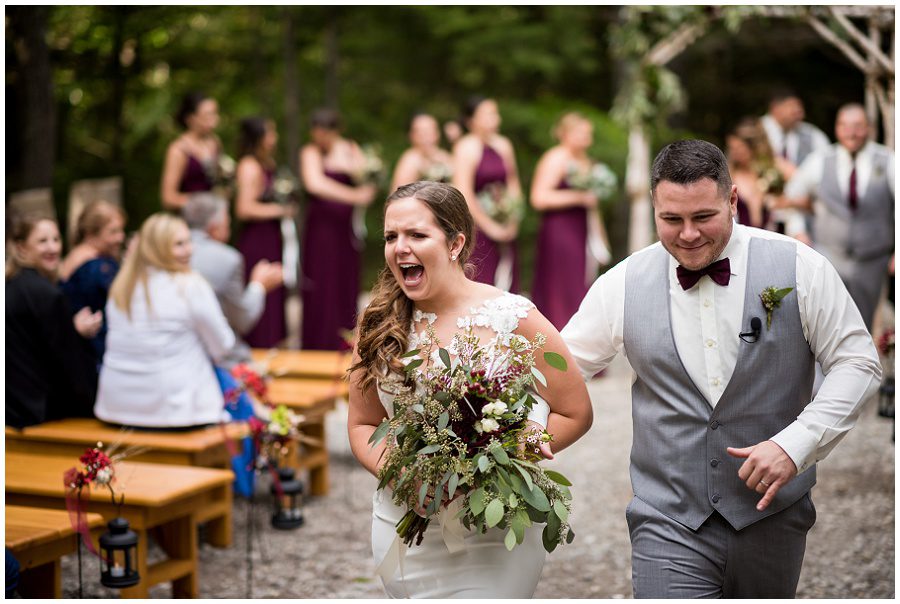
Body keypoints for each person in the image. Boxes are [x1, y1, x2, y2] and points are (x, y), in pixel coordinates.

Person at [561, 139, 881, 598]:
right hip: (667, 518)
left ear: (732, 200)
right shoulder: (622, 284)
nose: (688, 234)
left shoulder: (798, 266)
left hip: (773, 518)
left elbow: (858, 362)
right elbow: (558, 370)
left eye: (703, 217)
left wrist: (796, 445)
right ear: (654, 207)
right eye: (671, 220)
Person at [347, 181, 593, 598]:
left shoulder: (514, 318)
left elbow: (575, 412)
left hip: (494, 530)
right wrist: (407, 475)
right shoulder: (378, 325)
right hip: (404, 521)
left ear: (455, 243)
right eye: (391, 237)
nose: (400, 248)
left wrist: (521, 446)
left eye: (417, 235)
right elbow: (362, 424)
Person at [95, 212, 236, 429]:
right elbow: (223, 345)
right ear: (157, 248)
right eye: (179, 244)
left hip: (117, 408)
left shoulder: (121, 286)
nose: (190, 249)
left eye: (189, 241)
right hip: (175, 411)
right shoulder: (190, 285)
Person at [784, 103, 895, 331]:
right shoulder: (820, 160)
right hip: (829, 256)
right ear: (836, 129)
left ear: (869, 129)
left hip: (873, 260)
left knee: (863, 325)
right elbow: (790, 196)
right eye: (844, 126)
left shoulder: (889, 160)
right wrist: (798, 231)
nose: (851, 132)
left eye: (857, 126)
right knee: (827, 323)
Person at [6, 213, 98, 428]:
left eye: (56, 239)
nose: (53, 248)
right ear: (21, 248)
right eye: (42, 241)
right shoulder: (46, 294)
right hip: (40, 412)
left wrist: (71, 330)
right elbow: (67, 363)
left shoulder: (10, 286)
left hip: (11, 407)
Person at [299, 108, 376, 350]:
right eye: (316, 132)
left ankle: (346, 340)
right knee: (322, 279)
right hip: (321, 227)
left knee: (345, 278)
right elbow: (315, 184)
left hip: (345, 228)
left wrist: (357, 174)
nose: (320, 138)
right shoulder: (310, 152)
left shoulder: (351, 149)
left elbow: (369, 180)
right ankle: (317, 342)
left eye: (325, 132)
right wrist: (353, 196)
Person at [530, 112, 612, 330]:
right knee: (561, 285)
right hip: (560, 230)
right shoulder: (556, 158)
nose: (587, 137)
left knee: (581, 284)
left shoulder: (586, 161)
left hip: (581, 228)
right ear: (565, 133)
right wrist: (579, 197)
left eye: (588, 133)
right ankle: (558, 339)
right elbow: (539, 197)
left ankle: (581, 343)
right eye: (581, 132)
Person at [185, 192, 284, 367]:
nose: (229, 224)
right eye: (227, 219)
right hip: (217, 358)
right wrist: (258, 285)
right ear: (214, 228)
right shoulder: (227, 258)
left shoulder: (165, 253)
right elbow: (242, 320)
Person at [452, 96, 523, 292]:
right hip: (478, 228)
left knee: (507, 283)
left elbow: (513, 183)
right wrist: (490, 227)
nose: (495, 118)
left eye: (495, 113)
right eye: (488, 114)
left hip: (504, 224)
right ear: (471, 120)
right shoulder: (465, 147)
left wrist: (512, 218)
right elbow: (463, 192)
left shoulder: (504, 145)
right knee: (481, 284)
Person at [234, 117, 292, 348]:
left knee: (275, 291)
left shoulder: (267, 163)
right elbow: (244, 208)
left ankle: (272, 345)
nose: (274, 138)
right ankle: (258, 346)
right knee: (262, 287)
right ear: (258, 137)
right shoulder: (249, 166)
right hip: (257, 239)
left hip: (271, 236)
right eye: (270, 133)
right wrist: (280, 209)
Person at [59, 200, 127, 364]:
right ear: (91, 234)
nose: (121, 237)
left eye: (121, 230)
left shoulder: (72, 258)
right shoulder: (98, 267)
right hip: (96, 350)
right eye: (113, 232)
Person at [760, 89, 831, 234]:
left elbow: (827, 171)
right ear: (775, 108)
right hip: (762, 215)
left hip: (803, 216)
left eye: (800, 108)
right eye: (792, 108)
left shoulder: (814, 136)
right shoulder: (756, 131)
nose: (800, 113)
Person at [160, 92, 222, 211]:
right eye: (208, 115)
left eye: (215, 114)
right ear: (191, 118)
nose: (215, 119)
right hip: (190, 219)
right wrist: (202, 202)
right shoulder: (178, 150)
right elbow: (167, 198)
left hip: (214, 218)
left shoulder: (215, 142)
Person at [725, 117, 781, 230]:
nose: (735, 153)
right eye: (732, 148)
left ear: (751, 148)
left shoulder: (769, 171)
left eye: (739, 148)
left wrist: (779, 202)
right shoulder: (729, 174)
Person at [390, 112, 454, 191]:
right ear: (411, 135)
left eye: (431, 130)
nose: (427, 136)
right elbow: (398, 194)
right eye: (421, 132)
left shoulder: (445, 156)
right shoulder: (410, 159)